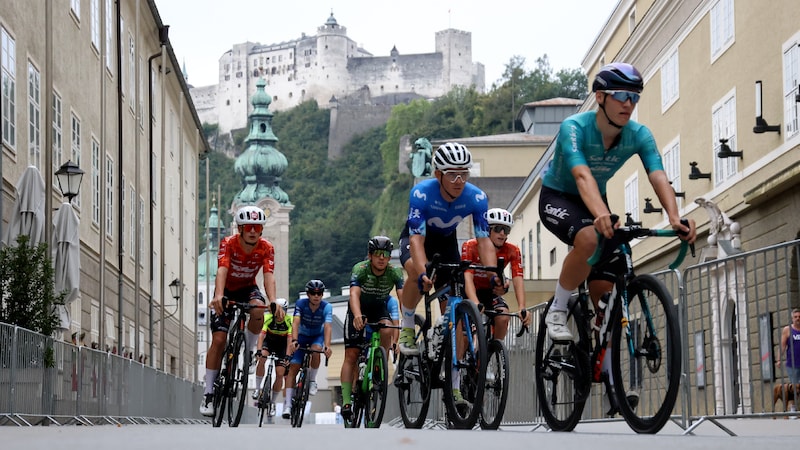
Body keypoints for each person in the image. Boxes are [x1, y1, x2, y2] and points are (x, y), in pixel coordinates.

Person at [538, 62, 696, 415]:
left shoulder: (639, 134)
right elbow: (580, 175)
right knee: (591, 239)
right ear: (600, 97)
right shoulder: (574, 128)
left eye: (635, 98)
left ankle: (604, 358)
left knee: (609, 286)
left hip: (598, 202)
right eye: (622, 96)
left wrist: (675, 216)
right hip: (560, 197)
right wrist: (597, 214)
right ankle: (559, 310)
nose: (628, 104)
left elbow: (658, 176)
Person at [199, 205, 282, 417]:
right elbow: (222, 269)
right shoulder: (228, 243)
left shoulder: (266, 247)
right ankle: (208, 393)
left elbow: (269, 275)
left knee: (258, 309)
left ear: (261, 229)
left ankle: (250, 351)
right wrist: (218, 295)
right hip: (226, 289)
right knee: (218, 340)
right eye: (248, 227)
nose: (253, 231)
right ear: (240, 228)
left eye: (256, 227)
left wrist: (273, 301)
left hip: (247, 288)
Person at [340, 236, 404, 421]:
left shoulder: (395, 273)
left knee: (386, 329)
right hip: (358, 308)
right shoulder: (360, 269)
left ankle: (379, 364)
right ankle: (346, 401)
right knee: (351, 355)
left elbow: (402, 299)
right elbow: (354, 294)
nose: (382, 258)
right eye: (378, 254)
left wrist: (407, 321)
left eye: (385, 254)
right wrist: (358, 315)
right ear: (370, 255)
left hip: (379, 308)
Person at [462, 208, 532, 340]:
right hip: (468, 289)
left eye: (506, 230)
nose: (502, 233)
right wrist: (475, 303)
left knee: (503, 316)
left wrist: (522, 307)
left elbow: (518, 278)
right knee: (466, 336)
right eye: (498, 228)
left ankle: (493, 350)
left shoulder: (512, 250)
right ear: (487, 230)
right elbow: (468, 277)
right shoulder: (470, 246)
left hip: (489, 291)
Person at [282, 279, 333, 419]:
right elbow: (296, 323)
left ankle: (312, 380)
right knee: (293, 367)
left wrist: (327, 345)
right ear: (308, 294)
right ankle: (287, 405)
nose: (316, 296)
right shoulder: (300, 304)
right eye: (313, 293)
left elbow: (328, 327)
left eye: (319, 293)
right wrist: (294, 341)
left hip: (317, 335)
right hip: (302, 336)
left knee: (317, 350)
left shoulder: (327, 307)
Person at [252, 297, 292, 418]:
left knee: (280, 374)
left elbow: (290, 340)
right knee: (262, 358)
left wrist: (287, 356)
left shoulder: (289, 320)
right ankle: (257, 389)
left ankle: (273, 402)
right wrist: (258, 350)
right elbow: (261, 336)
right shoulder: (269, 318)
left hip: (282, 345)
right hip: (269, 342)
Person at [780, 308, 800, 411]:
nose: (798, 319)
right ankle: (793, 408)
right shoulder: (787, 330)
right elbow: (783, 346)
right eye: (795, 317)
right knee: (794, 387)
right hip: (793, 363)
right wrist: (779, 359)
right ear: (792, 318)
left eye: (799, 317)